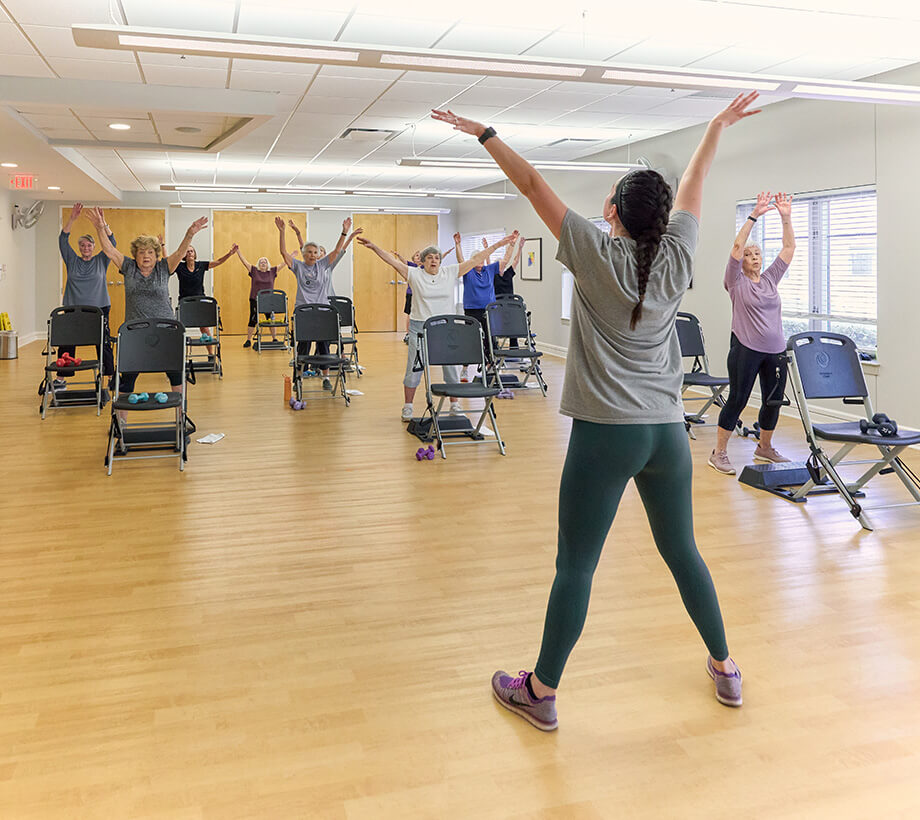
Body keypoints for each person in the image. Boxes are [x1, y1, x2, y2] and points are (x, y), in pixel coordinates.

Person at [432, 91, 762, 729]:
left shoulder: (590, 248)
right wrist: (716, 126)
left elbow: (530, 182)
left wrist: (485, 130)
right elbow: (696, 181)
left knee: (576, 566)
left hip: (606, 435)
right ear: (661, 219)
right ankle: (725, 668)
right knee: (684, 552)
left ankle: (542, 690)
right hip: (666, 435)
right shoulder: (678, 253)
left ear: (610, 210)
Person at [357, 235, 514, 420]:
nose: (434, 260)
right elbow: (391, 261)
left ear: (440, 261)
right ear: (422, 262)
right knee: (414, 369)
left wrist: (501, 244)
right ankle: (408, 406)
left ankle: (455, 404)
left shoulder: (450, 272)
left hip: (444, 329)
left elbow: (476, 259)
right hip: (419, 328)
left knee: (451, 368)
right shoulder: (413, 274)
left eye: (437, 257)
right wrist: (375, 247)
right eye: (429, 257)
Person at [709, 191, 796, 475]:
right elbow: (736, 246)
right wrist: (754, 216)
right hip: (746, 348)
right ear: (741, 261)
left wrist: (785, 217)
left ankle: (765, 447)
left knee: (773, 401)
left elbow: (789, 248)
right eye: (749, 255)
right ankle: (719, 452)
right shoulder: (735, 282)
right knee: (738, 398)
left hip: (776, 350)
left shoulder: (771, 278)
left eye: (757, 253)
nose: (754, 257)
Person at [85, 207, 207, 403]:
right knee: (127, 381)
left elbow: (180, 252)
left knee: (176, 375)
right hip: (135, 333)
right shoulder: (128, 266)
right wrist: (100, 227)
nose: (146, 255)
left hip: (166, 331)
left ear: (156, 254)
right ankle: (121, 425)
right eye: (141, 252)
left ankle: (180, 421)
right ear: (136, 255)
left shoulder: (164, 267)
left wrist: (189, 234)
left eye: (150, 251)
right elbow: (109, 250)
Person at [277, 217, 361, 390]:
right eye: (309, 252)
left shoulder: (323, 265)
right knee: (303, 348)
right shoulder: (298, 266)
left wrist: (345, 232)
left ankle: (325, 378)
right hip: (304, 313)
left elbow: (337, 250)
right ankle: (298, 378)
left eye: (315, 252)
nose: (313, 255)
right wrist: (283, 231)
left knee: (324, 347)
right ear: (303, 254)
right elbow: (283, 252)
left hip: (323, 313)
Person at [57, 202, 116, 390]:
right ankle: (61, 380)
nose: (86, 247)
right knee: (67, 343)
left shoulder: (101, 259)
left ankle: (108, 378)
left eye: (89, 244)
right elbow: (62, 240)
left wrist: (103, 223)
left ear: (93, 246)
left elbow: (112, 243)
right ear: (79, 247)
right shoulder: (72, 260)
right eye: (82, 245)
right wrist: (72, 218)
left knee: (103, 342)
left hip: (99, 309)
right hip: (73, 309)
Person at [456, 231, 516, 380]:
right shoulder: (468, 271)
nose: (481, 261)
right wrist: (457, 245)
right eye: (478, 259)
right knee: (471, 339)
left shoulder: (489, 270)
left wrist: (512, 245)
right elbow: (460, 260)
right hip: (472, 310)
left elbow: (505, 261)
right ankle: (465, 368)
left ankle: (490, 367)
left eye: (482, 258)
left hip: (489, 310)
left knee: (490, 339)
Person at [175, 244, 236, 357]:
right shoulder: (179, 267)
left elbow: (217, 262)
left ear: (195, 254)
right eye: (187, 251)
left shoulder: (201, 265)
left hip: (199, 301)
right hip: (185, 302)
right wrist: (162, 246)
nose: (189, 253)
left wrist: (230, 254)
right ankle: (181, 358)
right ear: (184, 255)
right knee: (181, 328)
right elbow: (167, 262)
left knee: (204, 328)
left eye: (191, 251)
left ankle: (211, 355)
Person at [236, 248, 281, 348]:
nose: (263, 263)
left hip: (269, 300)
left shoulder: (272, 271)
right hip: (255, 299)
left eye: (265, 262)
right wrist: (238, 251)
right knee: (253, 318)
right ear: (258, 264)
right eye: (261, 262)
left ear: (267, 264)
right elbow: (244, 261)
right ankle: (248, 340)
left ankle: (274, 338)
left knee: (271, 319)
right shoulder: (254, 270)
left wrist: (290, 256)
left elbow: (284, 263)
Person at [494, 234, 524, 349]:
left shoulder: (508, 273)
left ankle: (514, 346)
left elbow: (516, 260)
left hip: (511, 306)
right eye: (500, 264)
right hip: (498, 306)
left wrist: (520, 247)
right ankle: (494, 347)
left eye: (503, 263)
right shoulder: (493, 276)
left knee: (514, 321)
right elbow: (487, 265)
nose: (503, 264)